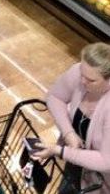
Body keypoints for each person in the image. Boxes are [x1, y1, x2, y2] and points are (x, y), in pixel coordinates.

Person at [36, 43, 110, 193]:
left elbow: (105, 161)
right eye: (82, 73)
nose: (82, 81)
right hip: (76, 160)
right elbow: (55, 97)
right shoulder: (81, 72)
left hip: (102, 180)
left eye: (91, 80)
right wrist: (68, 133)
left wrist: (61, 151)